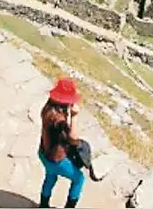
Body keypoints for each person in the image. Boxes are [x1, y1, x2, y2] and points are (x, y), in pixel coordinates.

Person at [38, 78, 85, 209]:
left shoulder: (47, 108)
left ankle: (43, 205)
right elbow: (73, 138)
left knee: (50, 176)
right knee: (79, 179)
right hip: (56, 160)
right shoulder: (59, 119)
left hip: (44, 153)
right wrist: (74, 116)